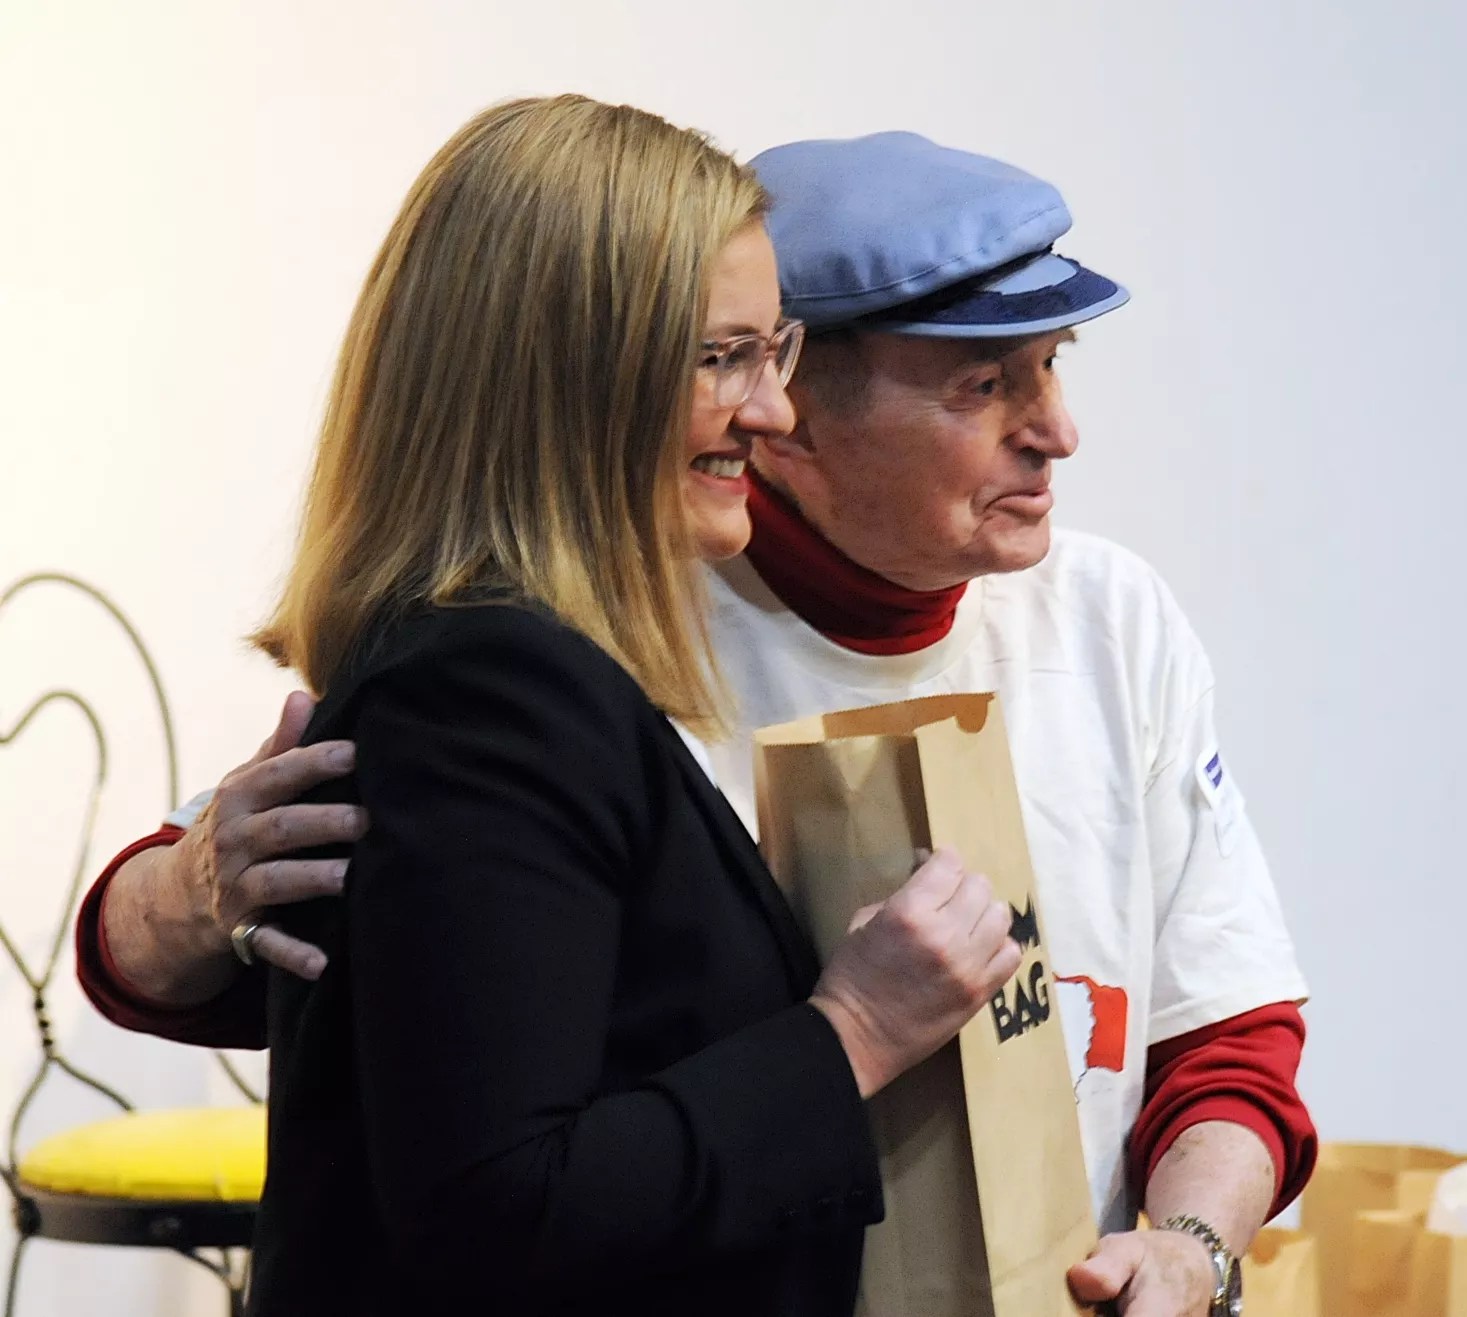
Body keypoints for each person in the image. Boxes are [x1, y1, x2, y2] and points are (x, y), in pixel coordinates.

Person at [79, 131, 1313, 1315]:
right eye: (982, 386)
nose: (1055, 434)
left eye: (1051, 366)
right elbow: (407, 1066)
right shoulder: (560, 651)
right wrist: (190, 891)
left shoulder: (1110, 619)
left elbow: (1226, 1027)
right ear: (802, 410)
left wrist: (1191, 1249)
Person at [190, 96, 1024, 1316]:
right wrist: (854, 1029)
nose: (772, 411)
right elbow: (498, 1207)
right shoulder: (490, 694)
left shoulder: (501, 671)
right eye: (723, 357)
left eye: (776, 351)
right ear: (567, 378)